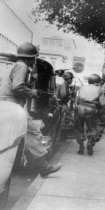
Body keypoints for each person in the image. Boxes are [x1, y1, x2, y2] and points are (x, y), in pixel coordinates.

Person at [0, 42, 62, 177]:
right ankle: (44, 167)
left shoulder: (16, 65)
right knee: (32, 132)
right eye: (34, 57)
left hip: (8, 103)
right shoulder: (22, 66)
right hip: (12, 105)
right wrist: (32, 92)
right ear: (31, 57)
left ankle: (43, 166)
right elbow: (17, 87)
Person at [75, 74, 105, 155]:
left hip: (80, 108)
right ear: (96, 82)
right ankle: (89, 143)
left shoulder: (82, 87)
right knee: (92, 128)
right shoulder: (99, 89)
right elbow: (102, 104)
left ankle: (81, 147)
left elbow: (78, 100)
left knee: (80, 128)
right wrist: (96, 102)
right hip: (91, 109)